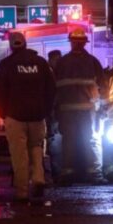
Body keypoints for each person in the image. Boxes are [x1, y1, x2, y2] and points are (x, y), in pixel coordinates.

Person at [0, 32, 55, 202]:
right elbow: (51, 89)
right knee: (36, 148)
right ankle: (39, 178)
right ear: (25, 44)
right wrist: (45, 111)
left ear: (11, 46)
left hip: (15, 116)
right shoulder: (41, 63)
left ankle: (22, 191)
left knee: (19, 155)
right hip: (37, 116)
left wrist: (4, 113)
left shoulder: (7, 64)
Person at [54, 28, 108, 185]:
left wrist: (55, 110)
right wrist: (103, 108)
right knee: (92, 140)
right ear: (85, 43)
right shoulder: (92, 62)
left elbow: (55, 88)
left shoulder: (62, 63)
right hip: (88, 110)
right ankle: (94, 174)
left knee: (69, 141)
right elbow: (103, 86)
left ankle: (68, 174)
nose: (77, 44)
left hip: (67, 111)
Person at [45, 49, 63, 182]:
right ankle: (57, 173)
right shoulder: (49, 74)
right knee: (55, 143)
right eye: (56, 60)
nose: (58, 62)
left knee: (57, 143)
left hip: (59, 114)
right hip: (53, 115)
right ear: (50, 60)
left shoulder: (58, 74)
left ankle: (59, 172)